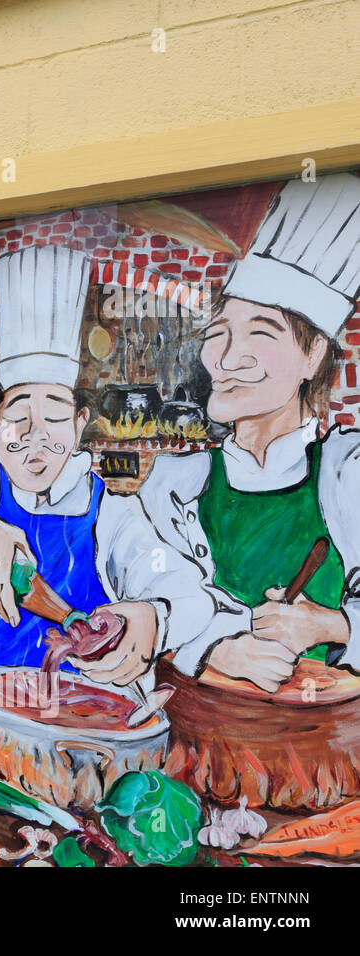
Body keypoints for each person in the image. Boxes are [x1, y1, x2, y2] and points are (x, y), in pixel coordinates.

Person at [0, 244, 219, 683]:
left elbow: (180, 584)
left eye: (55, 414)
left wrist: (153, 616)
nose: (35, 432)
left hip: (77, 715)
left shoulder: (110, 512)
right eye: (18, 414)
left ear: (79, 426)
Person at [136, 172, 360, 692]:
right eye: (219, 334)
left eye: (261, 333)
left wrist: (330, 625)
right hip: (193, 740)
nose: (229, 358)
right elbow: (145, 598)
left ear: (313, 354)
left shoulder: (349, 473)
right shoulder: (174, 483)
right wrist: (219, 645)